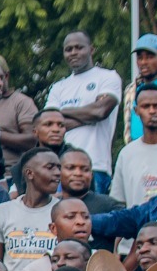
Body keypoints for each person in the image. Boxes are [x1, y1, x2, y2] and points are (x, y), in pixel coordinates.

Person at [44, 30, 123, 192]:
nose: (73, 52)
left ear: (91, 49)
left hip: (95, 166)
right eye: (68, 49)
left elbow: (100, 111)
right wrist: (89, 114)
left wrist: (64, 111)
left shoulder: (107, 77)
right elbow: (48, 124)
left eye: (79, 47)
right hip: (61, 168)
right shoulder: (58, 87)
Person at [0, 146, 60, 271]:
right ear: (29, 173)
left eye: (58, 167)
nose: (57, 172)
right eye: (50, 167)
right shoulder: (2, 212)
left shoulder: (64, 212)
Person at [122, 32, 157, 144]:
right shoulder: (131, 89)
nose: (143, 62)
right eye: (140, 57)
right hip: (135, 148)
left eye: (149, 57)